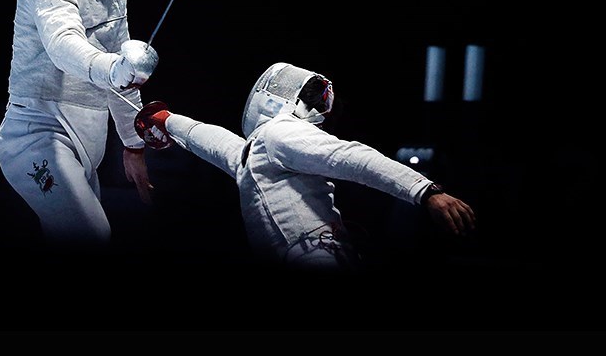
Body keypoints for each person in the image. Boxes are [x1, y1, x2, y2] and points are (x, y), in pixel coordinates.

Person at [134, 62, 476, 270]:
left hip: (315, 255)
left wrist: (425, 191)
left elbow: (352, 157)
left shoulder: (273, 138)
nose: (321, 113)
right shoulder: (266, 143)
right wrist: (166, 119)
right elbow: (210, 139)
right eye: (316, 101)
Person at [0, 0, 158, 247]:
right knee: (91, 236)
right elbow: (63, 44)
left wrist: (133, 144)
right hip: (37, 137)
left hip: (86, 145)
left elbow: (123, 70)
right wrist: (111, 68)